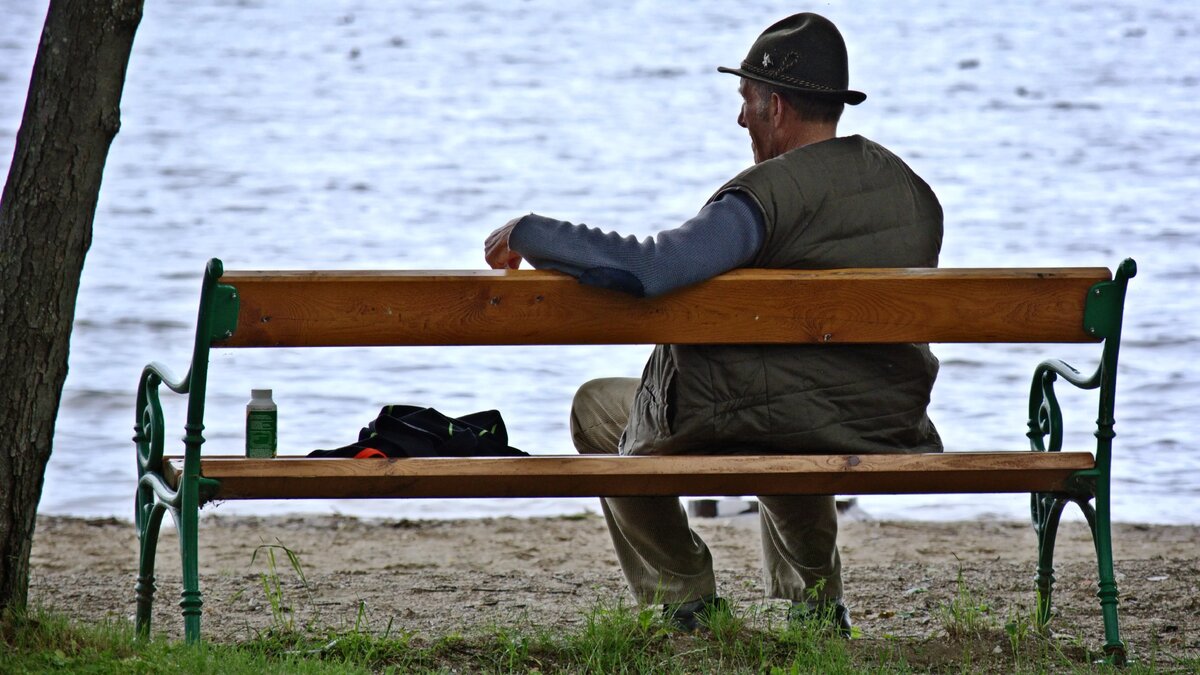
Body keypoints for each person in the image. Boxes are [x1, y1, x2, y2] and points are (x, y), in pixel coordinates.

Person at [484, 12, 943, 635]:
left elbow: (654, 267)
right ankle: (815, 605)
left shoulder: (764, 197)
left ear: (775, 106)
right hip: (878, 418)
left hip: (760, 414)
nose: (740, 118)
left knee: (598, 407)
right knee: (800, 405)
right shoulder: (912, 192)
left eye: (745, 100)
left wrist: (532, 233)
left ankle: (684, 594)